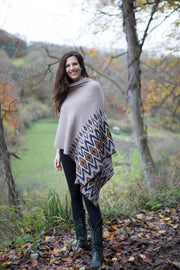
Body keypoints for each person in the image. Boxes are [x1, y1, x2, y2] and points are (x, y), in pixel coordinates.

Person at [53, 51, 116, 269]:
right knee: (74, 196)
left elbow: (97, 124)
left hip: (88, 152)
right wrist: (58, 151)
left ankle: (98, 251)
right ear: (65, 69)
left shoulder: (93, 88)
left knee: (90, 199)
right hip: (68, 153)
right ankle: (82, 238)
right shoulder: (65, 91)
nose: (72, 68)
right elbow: (65, 125)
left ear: (81, 66)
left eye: (75, 64)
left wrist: (89, 152)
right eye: (68, 65)